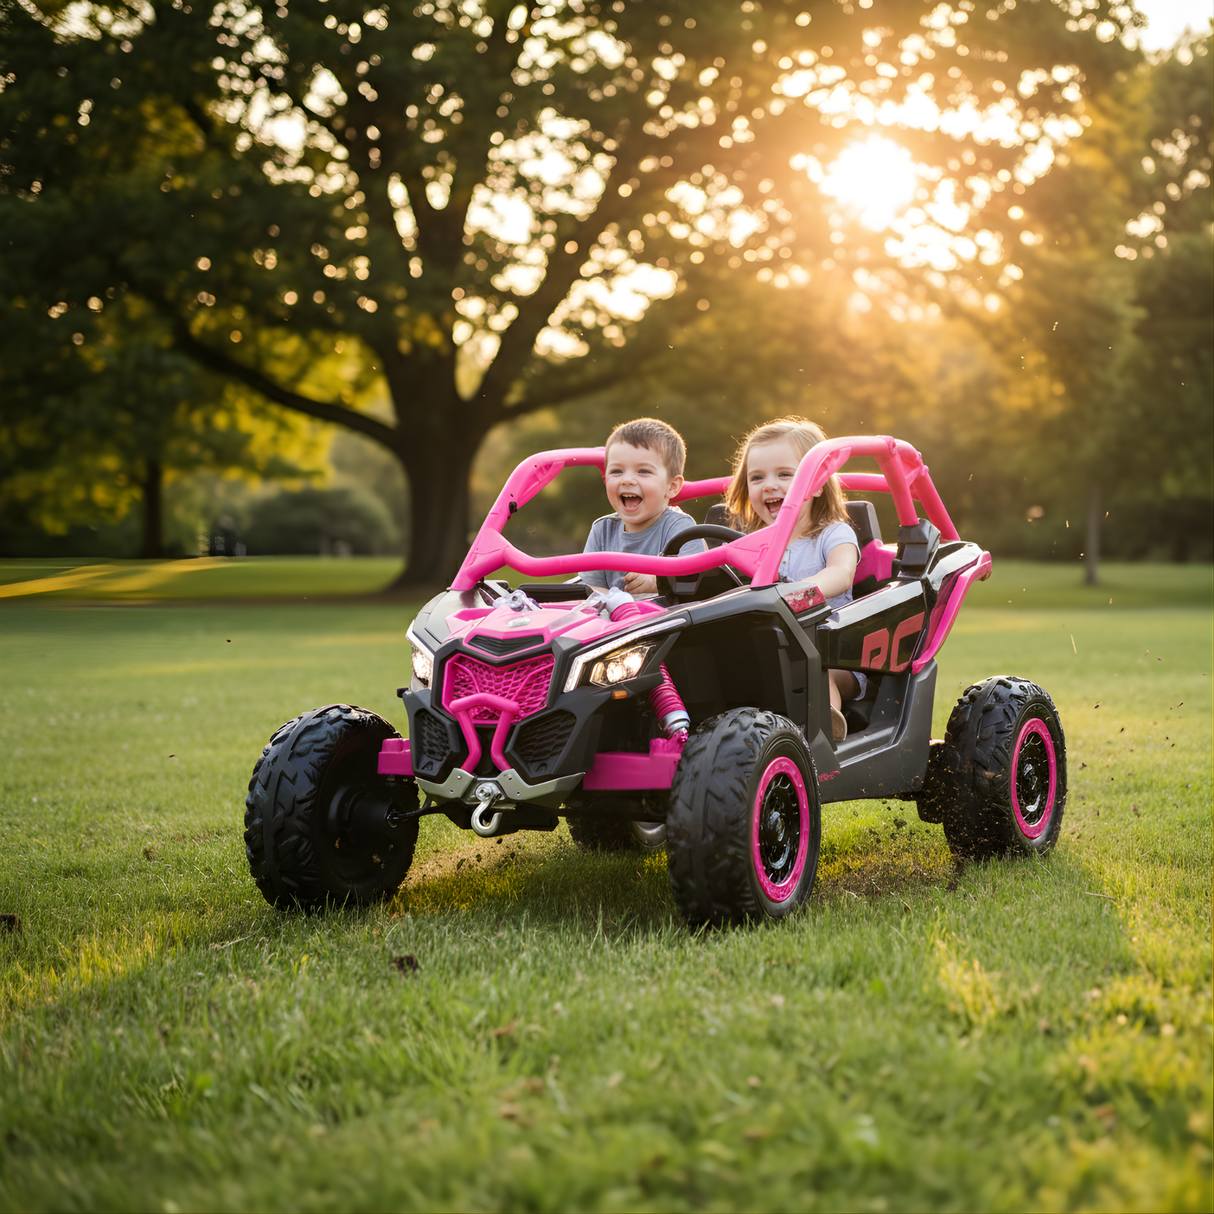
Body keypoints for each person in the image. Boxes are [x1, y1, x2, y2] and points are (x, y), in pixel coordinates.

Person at [725, 416, 865, 742]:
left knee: (814, 668)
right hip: (773, 649)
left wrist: (799, 593)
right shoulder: (753, 544)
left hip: (834, 652)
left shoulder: (833, 533)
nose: (769, 485)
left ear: (816, 483)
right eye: (757, 477)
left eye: (786, 474)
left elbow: (842, 573)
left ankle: (824, 729)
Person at [580, 417, 702, 596]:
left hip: (667, 621)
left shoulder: (680, 527)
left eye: (643, 471)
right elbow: (589, 590)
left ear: (672, 486)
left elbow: (697, 581)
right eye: (616, 471)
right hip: (615, 622)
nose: (627, 479)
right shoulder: (602, 529)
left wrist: (658, 582)